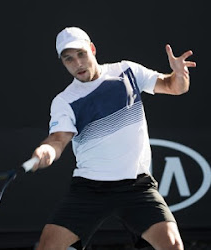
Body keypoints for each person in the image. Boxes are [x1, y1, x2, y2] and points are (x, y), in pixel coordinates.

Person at [30, 27, 196, 250]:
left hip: (136, 186)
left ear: (92, 49)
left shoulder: (127, 71)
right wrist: (46, 151)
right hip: (89, 188)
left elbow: (174, 87)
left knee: (173, 245)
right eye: (68, 59)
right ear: (63, 62)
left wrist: (180, 75)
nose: (77, 63)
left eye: (81, 54)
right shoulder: (64, 101)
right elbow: (58, 139)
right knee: (47, 247)